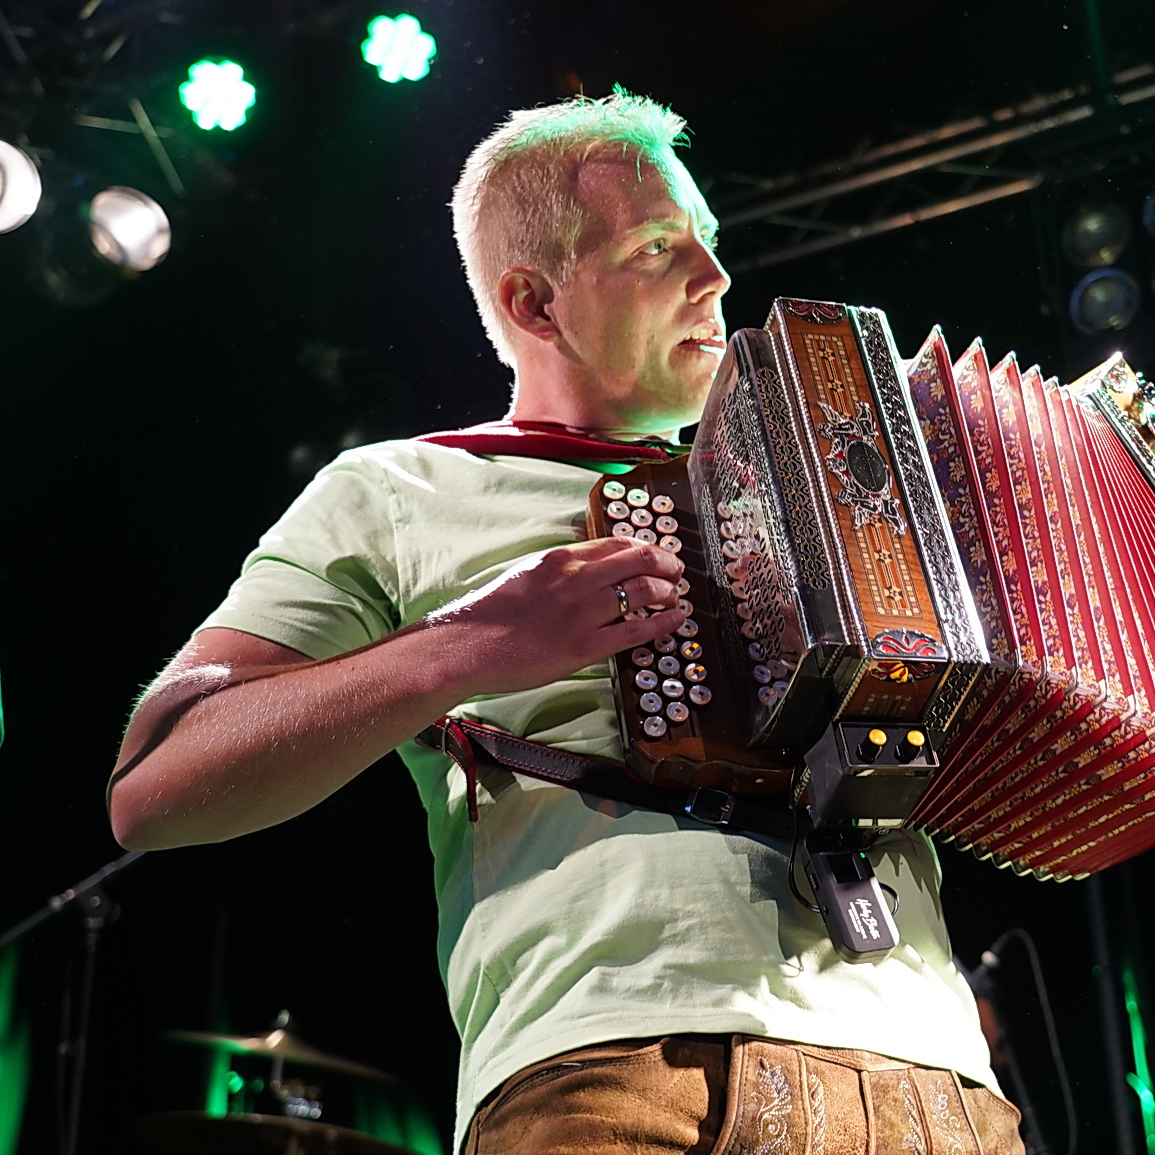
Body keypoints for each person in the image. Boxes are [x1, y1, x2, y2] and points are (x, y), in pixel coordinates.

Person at [108, 92, 1046, 1153]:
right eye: (657, 246)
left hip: (937, 1085)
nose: (716, 278)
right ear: (535, 303)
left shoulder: (836, 496)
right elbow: (157, 789)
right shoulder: (397, 489)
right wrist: (473, 644)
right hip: (618, 1068)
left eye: (710, 240)